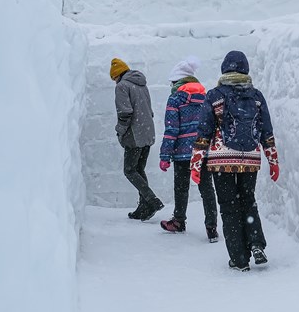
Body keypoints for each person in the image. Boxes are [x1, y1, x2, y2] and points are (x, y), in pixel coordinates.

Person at [192, 51, 280, 272]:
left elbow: (204, 131)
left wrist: (196, 163)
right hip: (250, 159)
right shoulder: (257, 97)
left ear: (224, 69)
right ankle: (257, 244)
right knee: (248, 201)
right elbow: (266, 131)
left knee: (229, 208)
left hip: (220, 161)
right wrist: (273, 160)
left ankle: (239, 259)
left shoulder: (214, 95)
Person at [158, 57, 219, 242]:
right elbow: (213, 125)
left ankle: (179, 221)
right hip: (202, 151)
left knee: (181, 187)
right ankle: (211, 227)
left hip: (182, 152)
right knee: (207, 188)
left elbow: (171, 130)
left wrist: (165, 155)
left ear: (178, 81)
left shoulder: (175, 98)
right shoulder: (206, 97)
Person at [110, 58, 163, 221]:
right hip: (147, 133)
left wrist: (119, 131)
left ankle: (152, 200)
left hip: (134, 135)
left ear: (117, 75)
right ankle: (143, 207)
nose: (114, 83)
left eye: (114, 79)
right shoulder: (141, 84)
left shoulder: (122, 86)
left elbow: (125, 113)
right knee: (139, 170)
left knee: (130, 170)